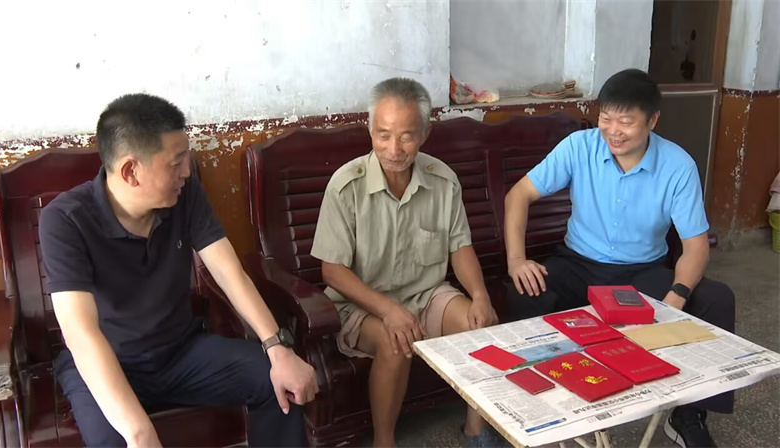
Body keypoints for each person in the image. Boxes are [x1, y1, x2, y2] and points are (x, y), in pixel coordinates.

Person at [39, 93, 318, 447]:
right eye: (175, 163)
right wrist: (139, 432)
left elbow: (229, 272)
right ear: (130, 171)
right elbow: (81, 333)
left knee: (276, 380)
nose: (186, 171)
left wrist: (277, 348)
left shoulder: (184, 195)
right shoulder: (64, 220)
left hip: (180, 352)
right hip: (109, 363)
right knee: (118, 438)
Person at [503, 68, 735, 448]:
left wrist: (676, 296)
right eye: (606, 118)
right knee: (525, 290)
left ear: (653, 120)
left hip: (641, 274)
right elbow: (519, 195)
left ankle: (687, 415)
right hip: (578, 264)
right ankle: (537, 406)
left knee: (715, 299)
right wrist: (516, 260)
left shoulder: (677, 166)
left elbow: (695, 246)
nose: (613, 131)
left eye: (626, 122)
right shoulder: (580, 147)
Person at [311, 78, 501, 448]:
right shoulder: (346, 186)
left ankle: (475, 431)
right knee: (394, 340)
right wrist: (388, 310)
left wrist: (480, 296)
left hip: (425, 295)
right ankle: (384, 441)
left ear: (425, 134)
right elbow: (332, 271)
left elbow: (460, 247)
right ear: (370, 129)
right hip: (361, 306)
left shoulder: (443, 181)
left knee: (478, 325)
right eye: (383, 135)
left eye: (406, 137)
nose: (394, 149)